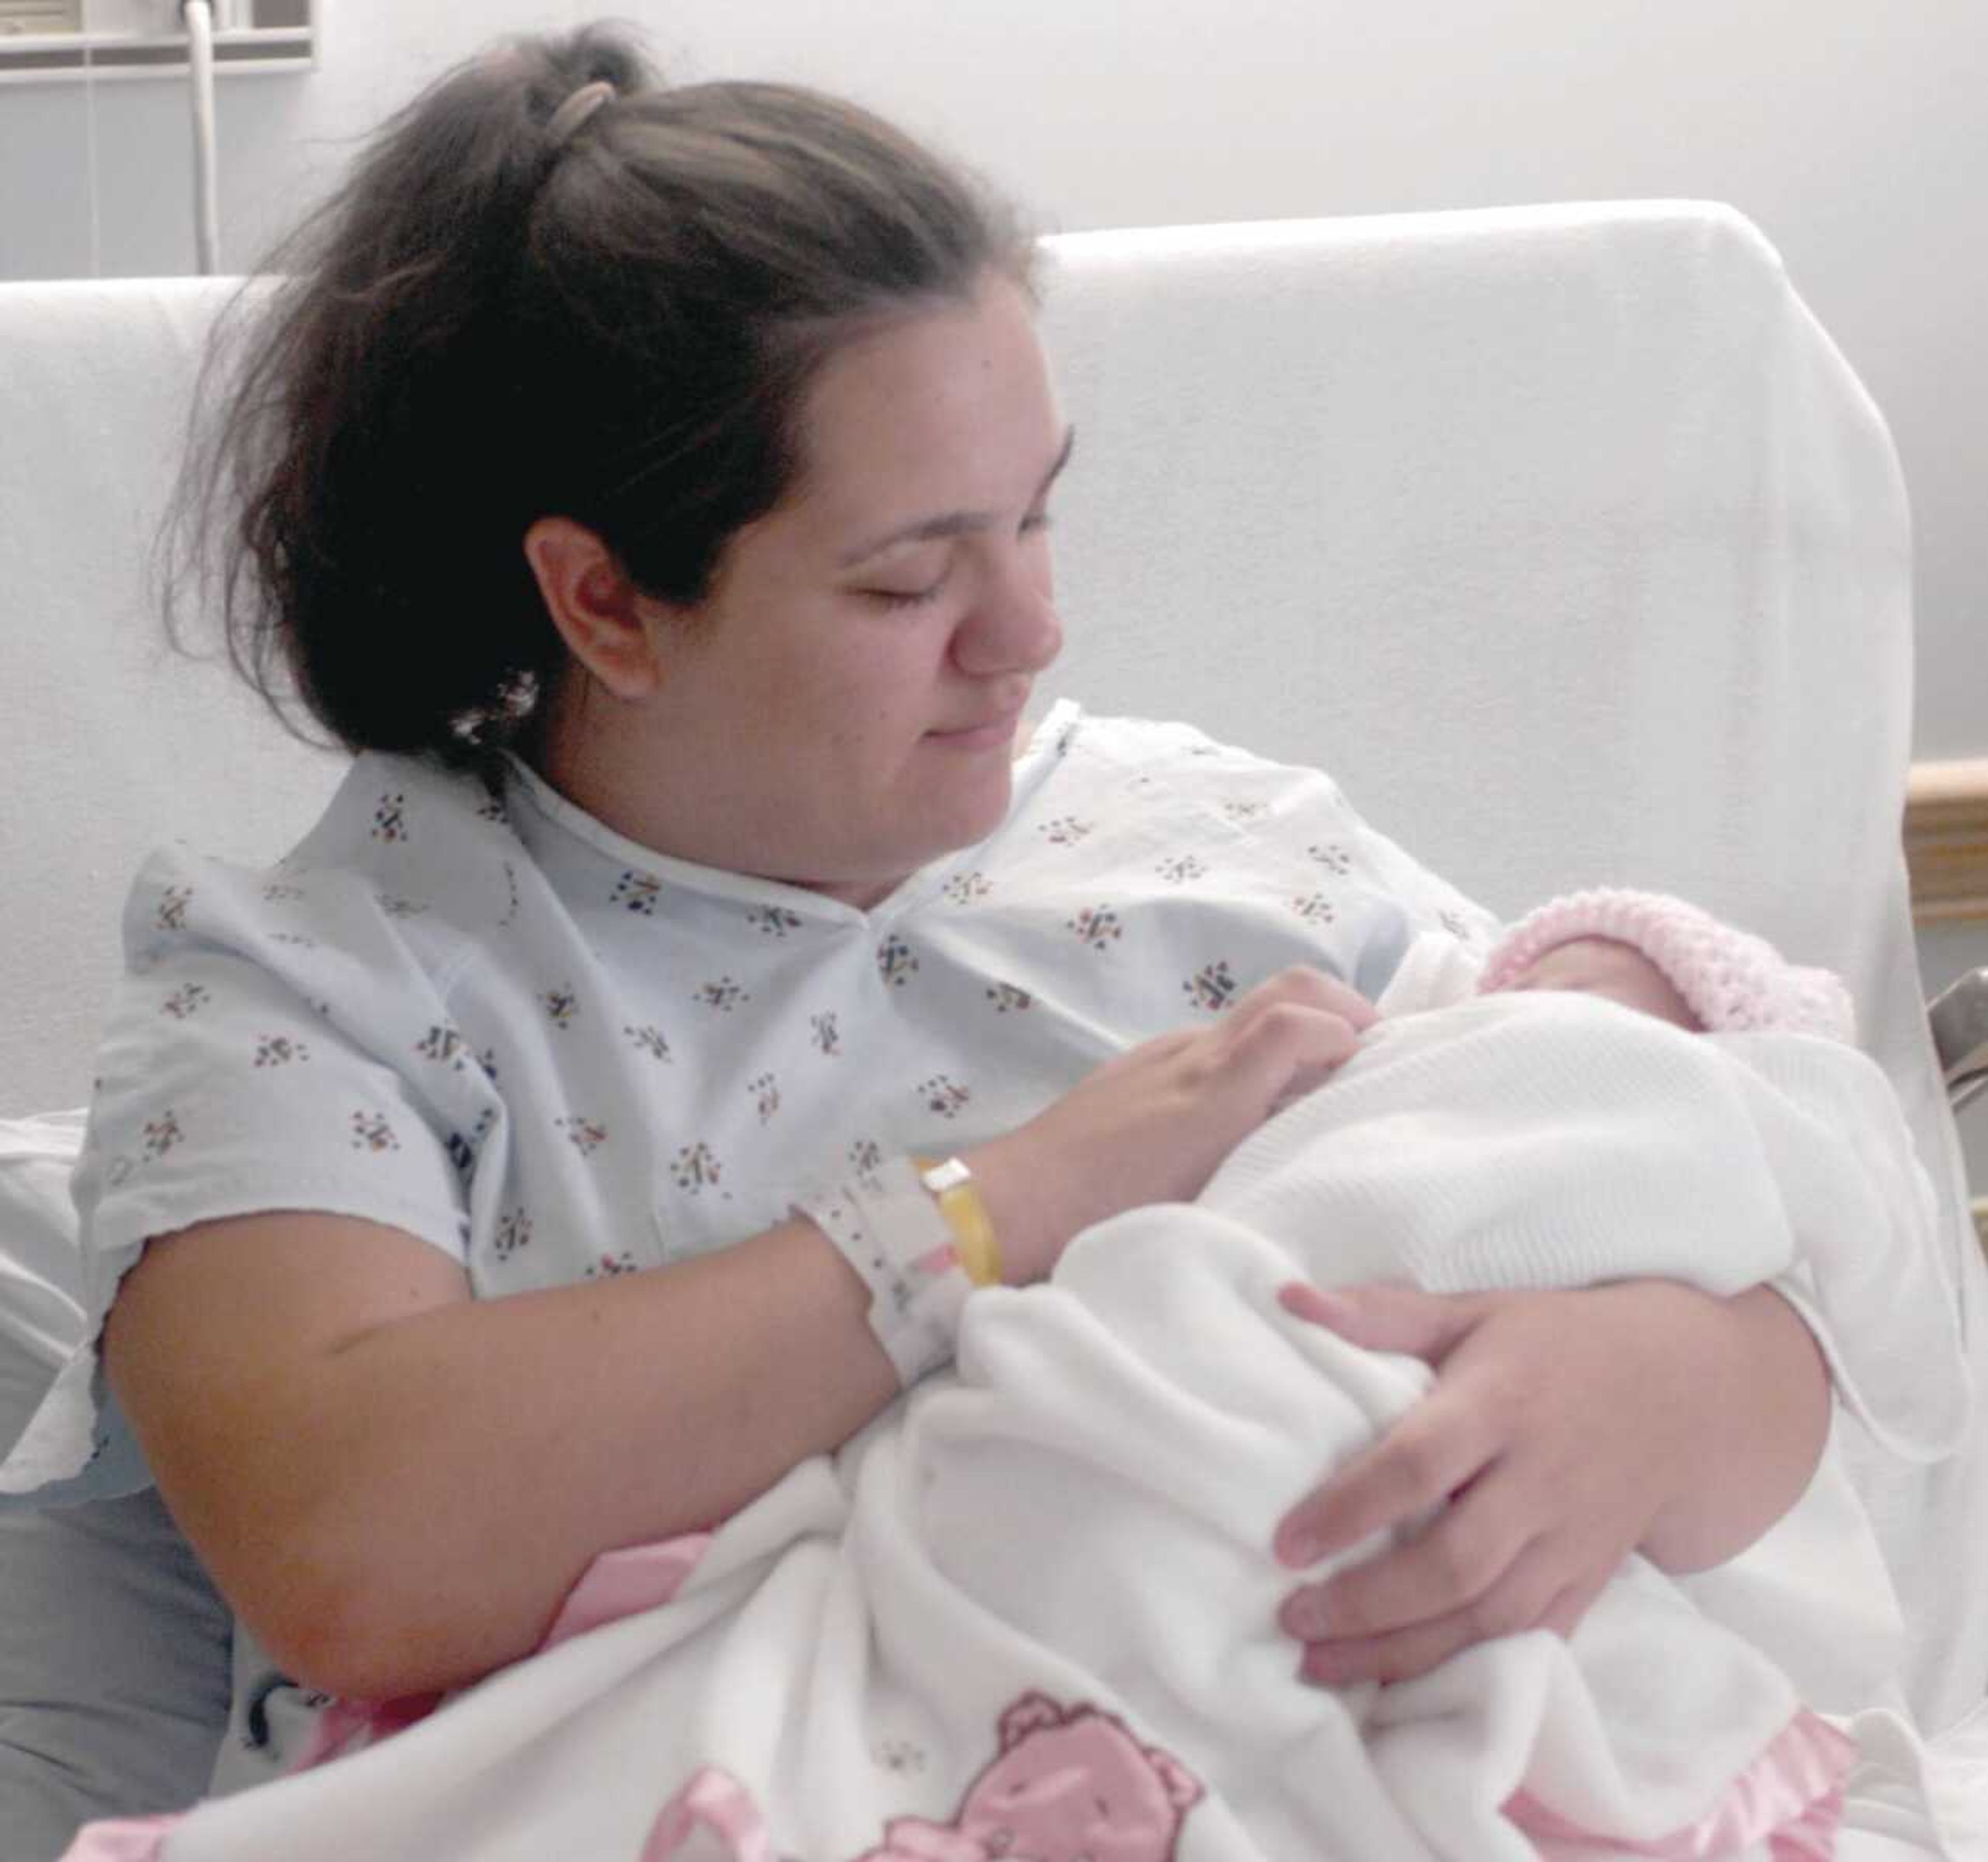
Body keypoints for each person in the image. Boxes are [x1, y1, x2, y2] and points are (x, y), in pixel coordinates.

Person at [1, 24, 1839, 1751]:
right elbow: (351, 1534)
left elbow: (1690, 1193)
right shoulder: (322, 987)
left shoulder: (1222, 846)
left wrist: (1656, 1390)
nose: (1032, 631)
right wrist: (1011, 1206)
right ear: (607, 604)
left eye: (1035, 513)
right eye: (908, 582)